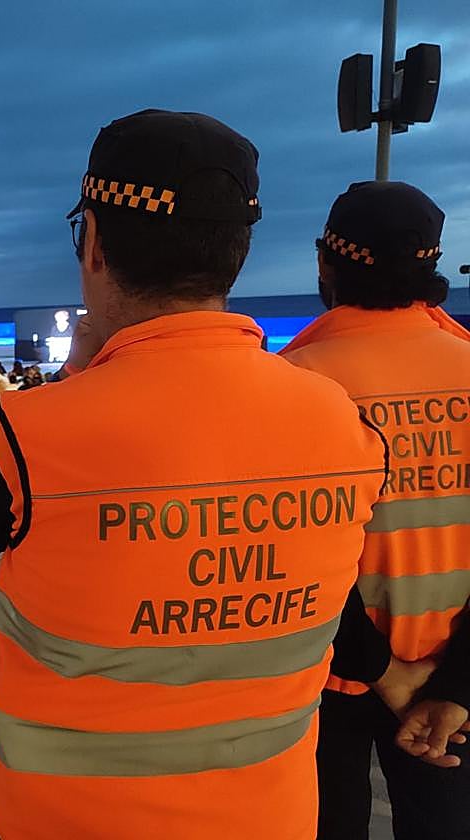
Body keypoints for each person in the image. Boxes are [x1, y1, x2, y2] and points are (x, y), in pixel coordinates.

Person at [0, 109, 389, 840]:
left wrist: (76, 371)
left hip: (62, 819)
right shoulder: (349, 428)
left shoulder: (25, 434)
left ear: (93, 244)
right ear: (235, 256)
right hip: (266, 816)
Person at [279, 181, 470, 840]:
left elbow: (290, 557)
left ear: (324, 264)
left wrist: (384, 673)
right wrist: (456, 683)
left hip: (326, 675)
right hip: (450, 683)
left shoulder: (297, 381)